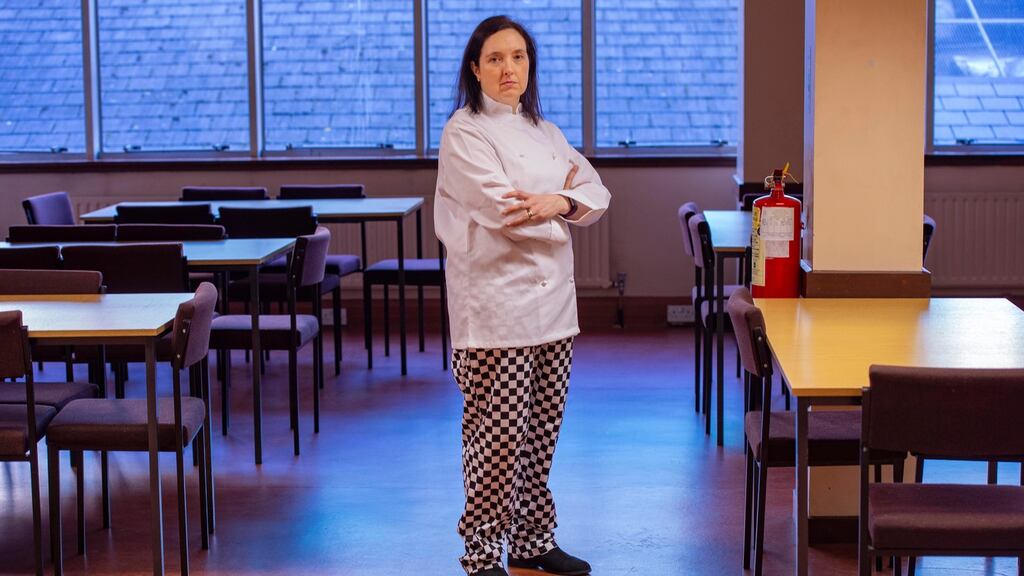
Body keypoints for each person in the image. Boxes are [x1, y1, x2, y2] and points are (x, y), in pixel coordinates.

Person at [434, 15, 611, 576]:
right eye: (495, 59)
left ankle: (533, 540)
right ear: (475, 69)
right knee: (498, 440)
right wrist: (564, 208)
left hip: (555, 315)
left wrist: (556, 202)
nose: (508, 68)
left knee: (541, 435)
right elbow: (504, 211)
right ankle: (481, 552)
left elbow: (596, 193)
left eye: (517, 57)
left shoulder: (547, 132)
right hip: (496, 312)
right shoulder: (465, 132)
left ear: (529, 65)